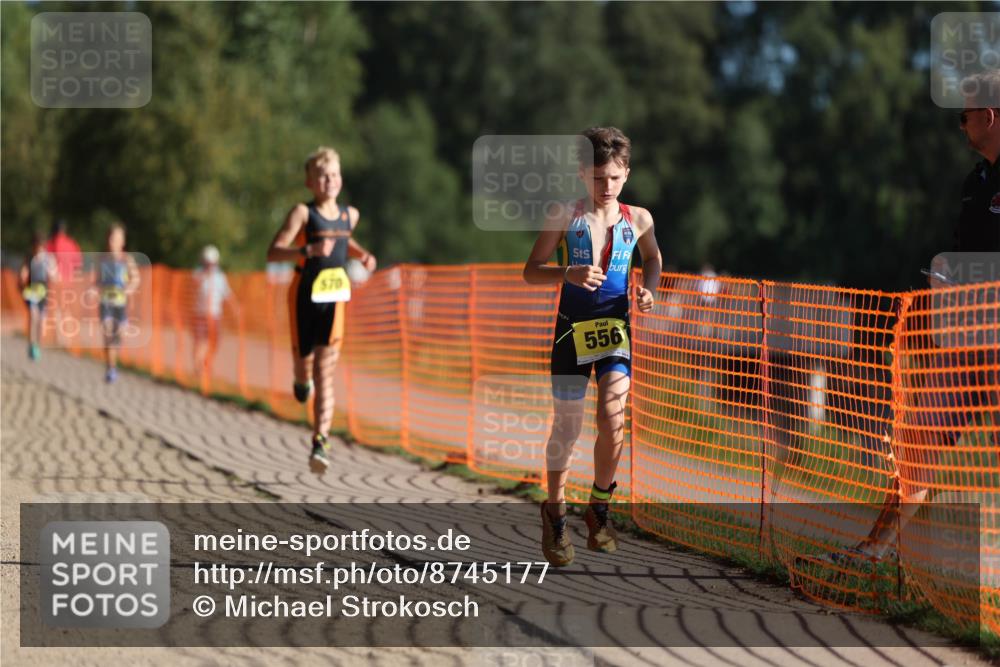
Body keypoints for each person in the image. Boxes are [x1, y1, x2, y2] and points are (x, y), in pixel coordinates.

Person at [838, 71, 1000, 561]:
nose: (960, 126)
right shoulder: (976, 183)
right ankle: (873, 553)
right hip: (966, 342)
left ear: (989, 116)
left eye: (964, 116)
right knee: (917, 445)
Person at [523, 127, 662, 566]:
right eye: (599, 178)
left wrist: (650, 290)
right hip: (571, 332)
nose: (607, 187)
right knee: (568, 428)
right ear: (583, 174)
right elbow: (531, 270)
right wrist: (568, 274)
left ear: (627, 175)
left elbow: (654, 258)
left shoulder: (638, 219)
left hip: (614, 332)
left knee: (613, 417)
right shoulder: (565, 213)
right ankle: (556, 511)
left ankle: (599, 507)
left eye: (615, 178)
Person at [267, 146, 377, 474]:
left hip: (335, 299)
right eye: (322, 175)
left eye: (335, 174)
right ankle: (301, 384)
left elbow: (344, 240)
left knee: (324, 372)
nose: (330, 180)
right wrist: (306, 250)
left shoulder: (349, 215)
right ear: (310, 182)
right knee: (305, 373)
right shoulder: (302, 214)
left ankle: (321, 442)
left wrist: (362, 255)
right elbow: (273, 252)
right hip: (302, 296)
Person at [97, 223, 140, 383]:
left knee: (117, 336)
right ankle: (111, 368)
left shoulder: (127, 259)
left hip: (120, 303)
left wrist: (128, 289)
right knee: (107, 334)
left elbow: (135, 278)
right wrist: (95, 289)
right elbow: (98, 281)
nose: (112, 241)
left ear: (122, 241)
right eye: (110, 237)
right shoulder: (102, 259)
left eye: (116, 238)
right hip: (105, 302)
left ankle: (112, 363)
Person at [191, 244, 238, 383]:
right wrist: (203, 276)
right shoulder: (197, 275)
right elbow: (192, 288)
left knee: (214, 342)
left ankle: (206, 364)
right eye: (207, 262)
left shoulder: (220, 277)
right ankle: (198, 369)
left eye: (212, 262)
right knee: (200, 342)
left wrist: (236, 308)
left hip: (215, 315)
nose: (210, 265)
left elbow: (227, 294)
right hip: (200, 315)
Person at [18, 234, 58, 360]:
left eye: (40, 247)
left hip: (43, 292)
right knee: (33, 315)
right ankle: (31, 345)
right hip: (30, 290)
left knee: (41, 320)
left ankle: (37, 345)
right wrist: (22, 276)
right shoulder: (29, 257)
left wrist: (52, 273)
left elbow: (54, 275)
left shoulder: (48, 259)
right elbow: (23, 272)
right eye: (35, 247)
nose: (37, 250)